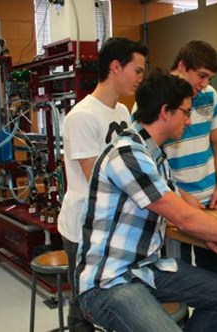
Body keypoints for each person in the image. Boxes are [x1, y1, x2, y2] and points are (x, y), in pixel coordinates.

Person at [76, 69, 217, 332]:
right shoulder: (127, 155)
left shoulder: (154, 156)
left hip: (145, 269)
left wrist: (213, 233)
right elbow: (184, 218)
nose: (189, 121)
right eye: (186, 113)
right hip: (109, 283)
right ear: (166, 111)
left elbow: (184, 206)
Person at [57, 37, 148, 331]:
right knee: (84, 305)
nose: (140, 78)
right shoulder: (82, 116)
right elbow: (97, 179)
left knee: (115, 299)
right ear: (115, 66)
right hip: (83, 227)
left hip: (111, 224)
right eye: (138, 70)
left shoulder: (122, 112)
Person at [168, 40, 217, 277]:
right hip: (175, 207)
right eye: (201, 76)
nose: (205, 84)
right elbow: (150, 163)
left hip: (208, 204)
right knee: (178, 284)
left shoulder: (208, 95)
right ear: (182, 66)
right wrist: (181, 198)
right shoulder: (157, 99)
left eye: (210, 78)